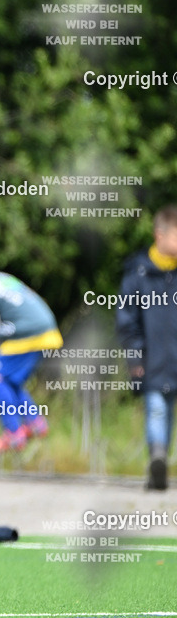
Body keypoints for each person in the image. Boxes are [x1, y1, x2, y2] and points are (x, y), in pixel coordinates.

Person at [0, 269, 62, 454]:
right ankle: (35, 422)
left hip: (27, 330)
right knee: (10, 380)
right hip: (45, 327)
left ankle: (13, 432)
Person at [117, 205, 177, 491]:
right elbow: (127, 321)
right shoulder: (137, 273)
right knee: (156, 409)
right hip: (151, 359)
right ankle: (158, 457)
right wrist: (135, 356)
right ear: (159, 235)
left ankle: (160, 458)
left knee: (167, 411)